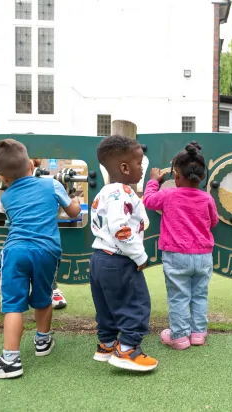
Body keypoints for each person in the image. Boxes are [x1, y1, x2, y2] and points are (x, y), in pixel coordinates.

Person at [0, 139, 81, 379]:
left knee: (13, 304)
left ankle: (10, 360)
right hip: (47, 251)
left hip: (16, 252)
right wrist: (72, 197)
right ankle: (42, 342)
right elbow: (73, 213)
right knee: (43, 297)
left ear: (1, 177)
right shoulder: (52, 186)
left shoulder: (6, 197)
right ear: (31, 167)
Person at [89, 135, 158, 371]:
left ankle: (107, 344)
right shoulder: (124, 192)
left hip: (99, 258)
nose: (142, 168)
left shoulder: (104, 192)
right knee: (136, 304)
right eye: (140, 163)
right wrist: (140, 256)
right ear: (125, 167)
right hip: (119, 260)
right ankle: (127, 350)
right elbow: (120, 228)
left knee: (106, 305)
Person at [143, 141, 218, 350]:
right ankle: (198, 334)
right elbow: (213, 222)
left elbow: (148, 200)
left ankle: (179, 336)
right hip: (203, 256)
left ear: (176, 176)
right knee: (200, 295)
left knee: (178, 296)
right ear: (202, 177)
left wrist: (153, 181)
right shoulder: (207, 199)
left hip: (176, 255)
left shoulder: (168, 195)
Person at [30, 158, 68, 309]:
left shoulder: (10, 186)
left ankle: (51, 289)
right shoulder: (52, 184)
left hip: (22, 243)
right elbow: (73, 211)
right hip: (45, 244)